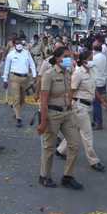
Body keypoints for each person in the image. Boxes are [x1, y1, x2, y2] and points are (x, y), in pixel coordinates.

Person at [37, 47, 83, 190]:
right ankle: (44, 176)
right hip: (52, 114)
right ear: (57, 59)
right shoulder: (49, 74)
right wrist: (43, 121)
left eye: (70, 56)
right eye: (66, 56)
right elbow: (43, 100)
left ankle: (67, 177)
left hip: (67, 113)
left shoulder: (68, 72)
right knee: (49, 147)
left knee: (75, 144)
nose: (69, 59)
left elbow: (69, 92)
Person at [57, 50, 107, 172]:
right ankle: (94, 160)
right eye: (90, 58)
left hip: (86, 106)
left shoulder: (90, 71)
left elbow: (93, 88)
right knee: (87, 134)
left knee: (78, 130)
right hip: (79, 107)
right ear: (84, 61)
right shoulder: (78, 73)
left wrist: (101, 101)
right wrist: (68, 106)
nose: (92, 61)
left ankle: (60, 150)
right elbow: (71, 90)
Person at [3, 35, 37, 128]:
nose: (19, 45)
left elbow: (32, 64)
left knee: (22, 100)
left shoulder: (27, 53)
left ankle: (16, 108)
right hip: (14, 78)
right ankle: (18, 118)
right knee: (17, 98)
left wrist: (34, 75)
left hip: (25, 79)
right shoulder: (11, 54)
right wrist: (5, 79)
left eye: (20, 43)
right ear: (14, 44)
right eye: (17, 43)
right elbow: (6, 67)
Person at [92, 42, 107, 130]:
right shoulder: (103, 57)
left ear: (94, 49)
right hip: (102, 81)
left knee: (96, 103)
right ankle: (95, 120)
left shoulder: (95, 58)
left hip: (97, 82)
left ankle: (98, 122)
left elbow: (88, 66)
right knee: (97, 102)